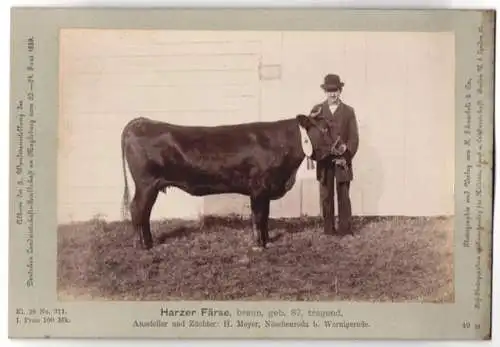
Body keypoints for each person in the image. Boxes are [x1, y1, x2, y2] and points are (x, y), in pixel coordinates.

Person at [309, 74, 359, 235]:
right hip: (324, 160)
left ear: (340, 90)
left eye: (335, 90)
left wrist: (346, 149)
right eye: (329, 91)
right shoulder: (317, 110)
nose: (332, 94)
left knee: (343, 194)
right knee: (326, 195)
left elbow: (354, 137)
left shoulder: (349, 111)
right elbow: (310, 134)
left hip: (342, 160)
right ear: (325, 91)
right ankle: (328, 229)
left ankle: (345, 229)